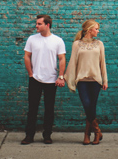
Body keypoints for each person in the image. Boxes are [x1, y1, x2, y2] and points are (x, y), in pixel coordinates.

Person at [22, 14, 66, 145]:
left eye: (39, 24)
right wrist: (31, 74)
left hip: (51, 80)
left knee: (49, 109)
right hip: (35, 79)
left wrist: (61, 76)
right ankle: (29, 136)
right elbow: (26, 56)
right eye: (36, 23)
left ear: (47, 25)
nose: (36, 26)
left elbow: (62, 59)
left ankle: (47, 135)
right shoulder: (32, 39)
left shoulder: (58, 41)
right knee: (32, 108)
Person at [64, 19, 108, 145]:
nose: (98, 31)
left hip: (95, 80)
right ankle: (97, 131)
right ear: (89, 29)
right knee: (87, 104)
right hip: (82, 80)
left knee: (91, 107)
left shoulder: (99, 44)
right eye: (96, 28)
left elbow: (102, 63)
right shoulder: (77, 44)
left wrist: (105, 80)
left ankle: (88, 135)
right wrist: (65, 77)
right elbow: (73, 61)